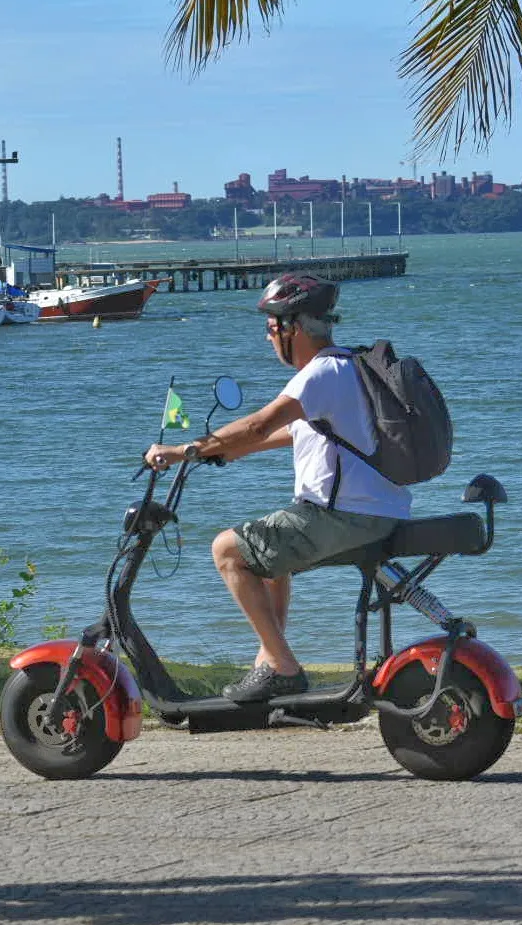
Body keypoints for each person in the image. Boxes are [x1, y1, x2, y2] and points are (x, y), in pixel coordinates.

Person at [144, 273, 411, 701]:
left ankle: (282, 666)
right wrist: (224, 451)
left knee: (227, 550)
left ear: (295, 328)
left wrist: (182, 449)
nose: (268, 338)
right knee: (268, 545)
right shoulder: (351, 366)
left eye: (272, 328)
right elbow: (294, 434)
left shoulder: (319, 373)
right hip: (380, 511)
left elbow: (259, 423)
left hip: (346, 516)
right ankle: (270, 659)